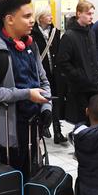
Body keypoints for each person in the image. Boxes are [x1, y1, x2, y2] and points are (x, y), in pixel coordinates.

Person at [0, 0, 52, 177]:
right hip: (7, 136)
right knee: (11, 188)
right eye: (26, 16)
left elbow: (43, 80)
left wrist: (47, 106)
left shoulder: (30, 45)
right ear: (9, 19)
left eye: (32, 15)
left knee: (32, 179)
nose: (32, 20)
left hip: (33, 129)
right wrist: (25, 94)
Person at [57, 0, 98, 124]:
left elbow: (93, 57)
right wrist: (78, 75)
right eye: (88, 13)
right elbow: (63, 62)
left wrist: (96, 74)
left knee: (92, 121)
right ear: (78, 13)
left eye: (92, 14)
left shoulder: (91, 33)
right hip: (78, 87)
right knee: (81, 121)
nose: (91, 17)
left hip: (93, 84)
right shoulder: (69, 36)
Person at [31, 9, 67, 144]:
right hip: (41, 73)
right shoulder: (33, 33)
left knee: (56, 100)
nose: (51, 17)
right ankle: (44, 126)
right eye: (47, 15)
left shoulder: (55, 32)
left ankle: (57, 131)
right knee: (43, 99)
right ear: (40, 18)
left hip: (55, 73)